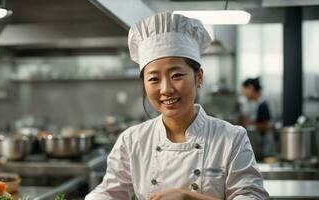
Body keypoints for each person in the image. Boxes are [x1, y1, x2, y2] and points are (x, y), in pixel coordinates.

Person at [85, 12, 269, 200]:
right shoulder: (132, 141)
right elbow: (108, 192)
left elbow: (252, 197)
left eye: (177, 76)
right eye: (154, 79)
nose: (166, 89)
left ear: (199, 77)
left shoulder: (231, 138)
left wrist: (189, 198)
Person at [241, 77, 276, 161]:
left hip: (266, 149)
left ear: (251, 88)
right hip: (262, 146)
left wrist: (251, 125)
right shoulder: (259, 104)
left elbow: (266, 126)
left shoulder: (263, 104)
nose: (244, 93)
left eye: (244, 90)